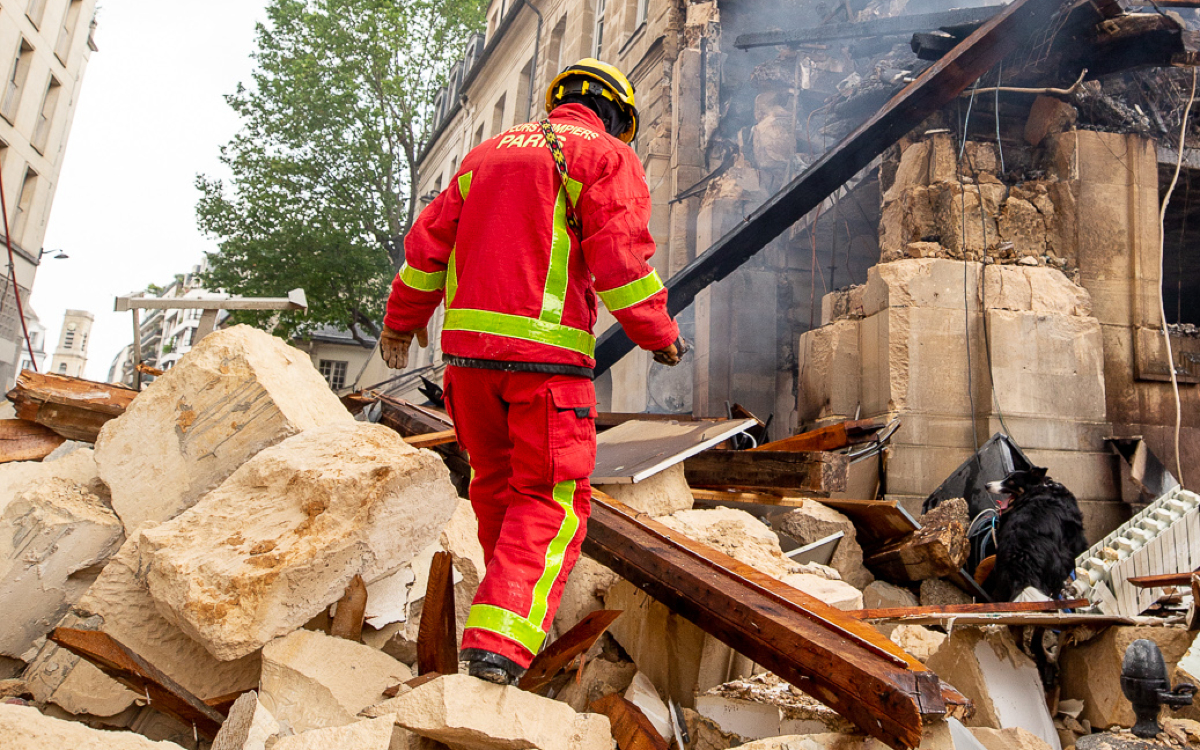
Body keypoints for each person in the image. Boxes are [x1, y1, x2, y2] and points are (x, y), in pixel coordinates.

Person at [381, 58, 686, 685]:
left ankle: (509, 614)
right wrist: (658, 332)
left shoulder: (483, 154)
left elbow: (425, 248)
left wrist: (400, 320)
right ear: (616, 115)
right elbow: (620, 257)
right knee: (550, 500)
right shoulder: (603, 156)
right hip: (545, 367)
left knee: (495, 488)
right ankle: (499, 643)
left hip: (467, 367)